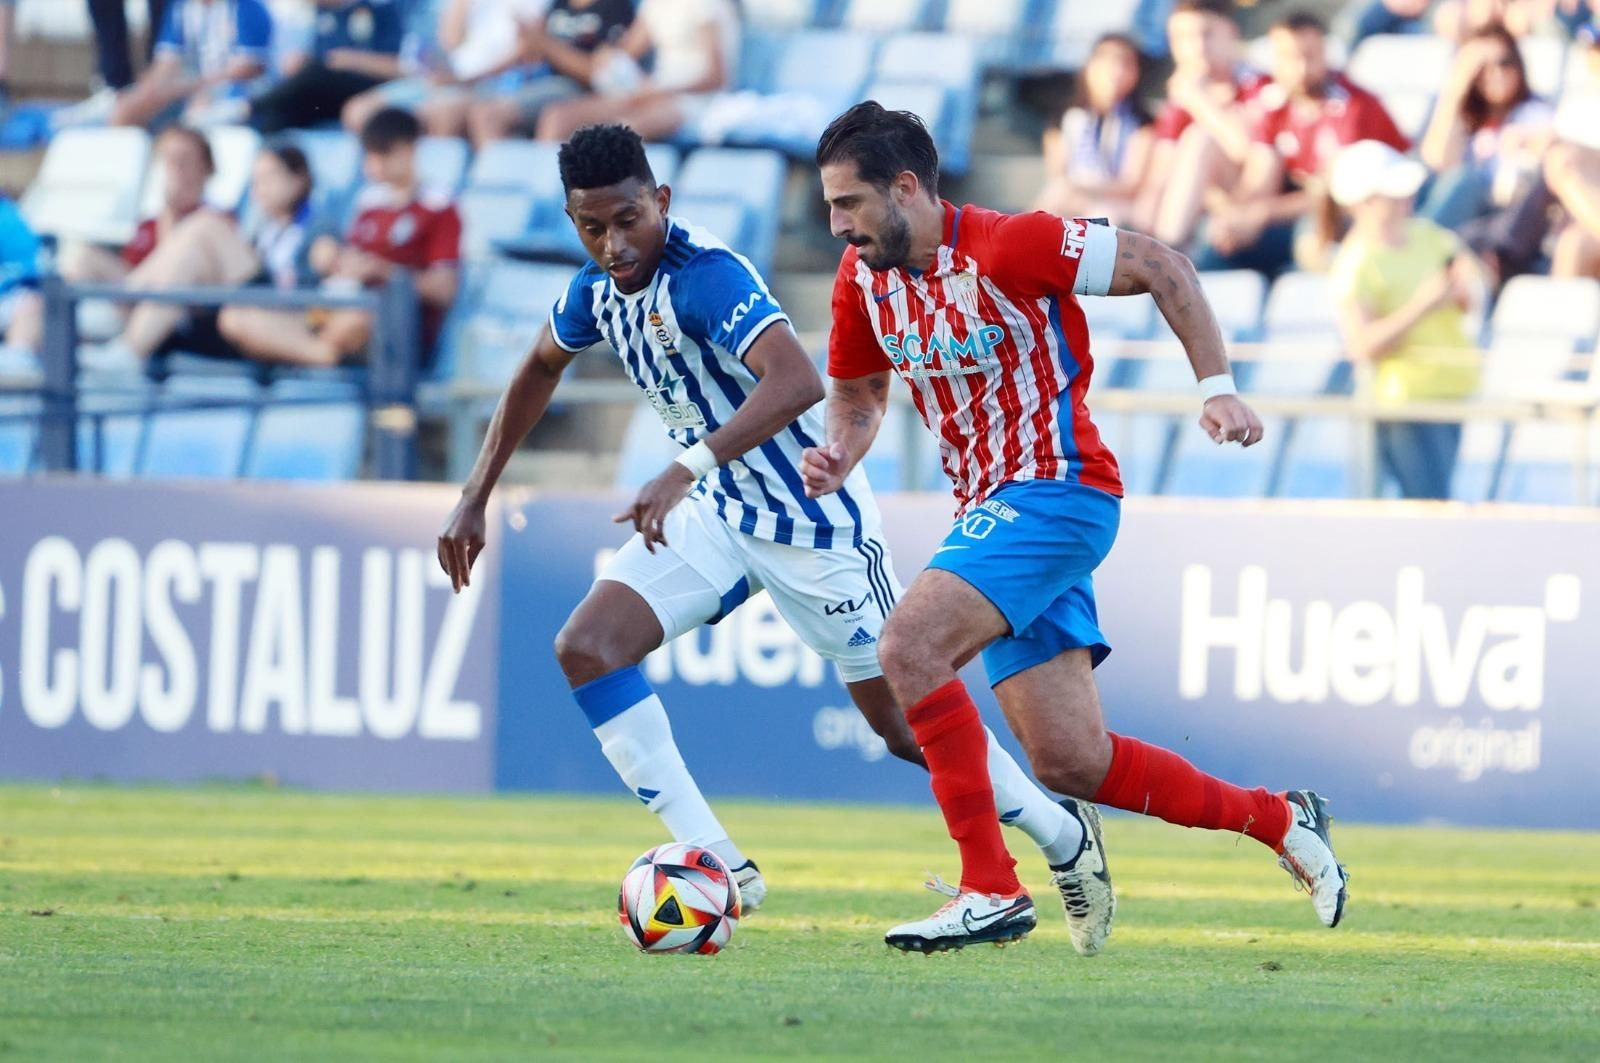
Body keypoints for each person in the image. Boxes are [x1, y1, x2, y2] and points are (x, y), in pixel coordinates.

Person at [434, 123, 1116, 955]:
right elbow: (540, 365)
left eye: (627, 220)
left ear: (663, 202)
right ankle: (722, 866)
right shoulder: (594, 290)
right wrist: (475, 494)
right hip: (718, 513)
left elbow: (796, 380)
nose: (614, 245)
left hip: (810, 521)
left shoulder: (707, 277)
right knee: (587, 646)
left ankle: (1059, 833)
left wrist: (685, 464)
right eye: (592, 228)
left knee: (905, 729)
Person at [807, 102, 1347, 952]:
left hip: (1059, 488)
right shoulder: (861, 280)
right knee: (1069, 760)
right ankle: (1281, 819)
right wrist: (841, 452)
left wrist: (1216, 387)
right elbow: (857, 395)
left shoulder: (1014, 243)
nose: (836, 225)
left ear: (905, 187)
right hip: (989, 509)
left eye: (849, 204)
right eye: (831, 207)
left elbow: (1164, 265)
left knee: (906, 647)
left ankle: (989, 885)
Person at [219, 107, 460, 365]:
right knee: (235, 317)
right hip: (332, 310)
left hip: (390, 322)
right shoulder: (370, 204)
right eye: (370, 154)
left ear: (409, 149)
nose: (373, 165)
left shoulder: (439, 208)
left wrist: (382, 271)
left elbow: (443, 289)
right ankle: (323, 355)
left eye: (383, 153)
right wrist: (338, 262)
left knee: (356, 320)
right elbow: (348, 259)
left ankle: (310, 355)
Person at [1196, 11, 1409, 275]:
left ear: (1325, 53)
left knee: (1311, 230)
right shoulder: (1272, 105)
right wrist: (1235, 216)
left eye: (1310, 56)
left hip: (1353, 215)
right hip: (1290, 212)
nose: (1301, 68)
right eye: (1290, 57)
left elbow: (1337, 194)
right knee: (1213, 243)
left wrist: (1260, 214)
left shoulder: (1354, 106)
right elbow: (1261, 179)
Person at [1330, 141, 1485, 500]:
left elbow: (1468, 295)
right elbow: (1361, 345)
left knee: (1434, 502)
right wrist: (1423, 305)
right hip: (1402, 402)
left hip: (1451, 390)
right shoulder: (1355, 264)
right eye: (1391, 193)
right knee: (1429, 503)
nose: (1406, 198)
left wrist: (1461, 291)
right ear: (1363, 201)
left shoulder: (1429, 236)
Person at [78, 142, 318, 368]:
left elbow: (312, 289)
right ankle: (129, 330)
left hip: (278, 311)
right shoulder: (259, 226)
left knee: (205, 225)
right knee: (191, 250)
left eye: (270, 178)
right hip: (238, 303)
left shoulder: (318, 227)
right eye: (255, 181)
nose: (260, 189)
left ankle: (125, 303)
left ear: (299, 179)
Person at [5, 125, 223, 358]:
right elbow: (132, 277)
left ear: (206, 168)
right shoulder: (148, 225)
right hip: (138, 303)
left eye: (184, 161)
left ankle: (110, 352)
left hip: (185, 313)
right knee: (79, 259)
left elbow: (185, 273)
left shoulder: (214, 223)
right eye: (168, 161)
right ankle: (29, 351)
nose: (175, 171)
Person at [1147, 0, 1269, 250]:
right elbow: (1160, 173)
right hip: (1207, 206)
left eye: (1206, 34)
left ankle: (1168, 247)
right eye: (1182, 38)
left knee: (1199, 137)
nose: (1196, 48)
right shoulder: (1180, 97)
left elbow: (1246, 149)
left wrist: (1199, 99)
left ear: (1231, 33)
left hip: (1255, 207)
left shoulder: (1256, 82)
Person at [533, 0, 739, 142]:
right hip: (654, 91)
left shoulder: (707, 5)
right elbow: (625, 51)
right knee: (557, 118)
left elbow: (716, 77)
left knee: (622, 129)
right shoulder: (657, 5)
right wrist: (606, 56)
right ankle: (554, 198)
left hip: (695, 99)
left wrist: (658, 90)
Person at [340, 0, 548, 137]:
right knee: (359, 111)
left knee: (441, 114)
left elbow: (528, 53)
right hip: (452, 78)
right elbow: (449, 42)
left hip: (495, 83)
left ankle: (432, 198)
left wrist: (465, 80)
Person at [1417, 24, 1555, 230]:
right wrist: (1458, 85)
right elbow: (1437, 161)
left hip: (1504, 213)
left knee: (1466, 182)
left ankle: (1417, 246)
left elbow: (1549, 150)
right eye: (1483, 68)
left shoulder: (1534, 112)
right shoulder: (1465, 117)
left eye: (1504, 62)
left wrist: (1526, 141)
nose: (1496, 73)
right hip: (1462, 214)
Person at [464, 0, 637, 148]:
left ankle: (533, 182)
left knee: (492, 115)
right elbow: (529, 55)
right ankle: (497, 182)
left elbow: (600, 73)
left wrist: (546, 43)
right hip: (542, 84)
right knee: (480, 111)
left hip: (578, 91)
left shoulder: (615, 7)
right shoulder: (559, 4)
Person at [1033, 34, 1156, 229]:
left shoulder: (1142, 123)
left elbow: (1132, 184)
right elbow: (1057, 171)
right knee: (1052, 203)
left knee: (1105, 218)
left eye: (1125, 63)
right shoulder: (1065, 117)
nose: (1115, 71)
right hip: (1070, 194)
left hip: (1114, 202)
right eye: (1106, 60)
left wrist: (1086, 189)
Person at [248, 0, 410, 133]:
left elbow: (402, 67)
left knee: (315, 72)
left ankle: (251, 106)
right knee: (279, 113)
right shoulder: (323, 14)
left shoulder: (380, 9)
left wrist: (352, 59)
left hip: (368, 88)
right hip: (328, 93)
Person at [110, 0, 275, 128]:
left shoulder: (248, 7)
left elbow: (247, 69)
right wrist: (145, 94)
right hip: (192, 90)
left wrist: (191, 88)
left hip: (237, 96)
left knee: (196, 116)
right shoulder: (180, 8)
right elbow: (165, 64)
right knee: (126, 111)